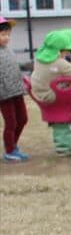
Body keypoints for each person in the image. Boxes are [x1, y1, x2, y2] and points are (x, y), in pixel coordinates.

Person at [29, 29, 71, 146]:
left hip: (39, 92)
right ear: (59, 50)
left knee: (66, 86)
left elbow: (52, 71)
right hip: (51, 96)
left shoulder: (39, 58)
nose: (67, 55)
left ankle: (66, 141)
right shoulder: (59, 63)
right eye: (66, 52)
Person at [0, 16, 29, 162]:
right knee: (11, 122)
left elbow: (13, 67)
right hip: (4, 95)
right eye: (3, 34)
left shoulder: (8, 50)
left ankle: (13, 145)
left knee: (23, 119)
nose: (6, 38)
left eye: (8, 34)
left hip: (17, 91)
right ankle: (9, 150)